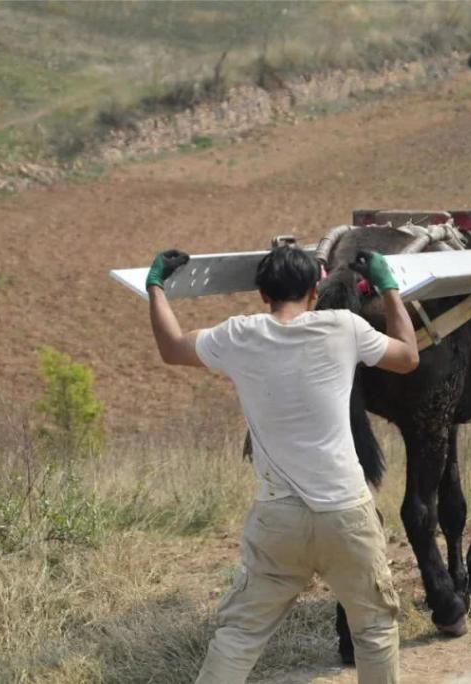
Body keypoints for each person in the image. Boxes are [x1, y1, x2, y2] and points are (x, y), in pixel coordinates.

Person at [145, 245, 419, 683]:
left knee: (239, 635)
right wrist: (389, 289)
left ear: (262, 294)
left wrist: (156, 287)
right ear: (315, 291)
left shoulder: (238, 335)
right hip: (346, 516)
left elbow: (172, 348)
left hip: (278, 521)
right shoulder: (344, 328)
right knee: (374, 630)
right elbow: (408, 357)